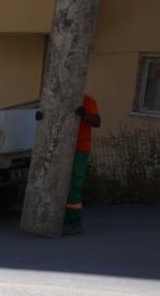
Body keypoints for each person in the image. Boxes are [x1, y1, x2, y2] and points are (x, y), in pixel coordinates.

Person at [64, 93, 101, 235]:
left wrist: (84, 115)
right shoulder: (59, 97)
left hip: (79, 149)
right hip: (61, 148)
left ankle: (73, 222)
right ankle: (59, 220)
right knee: (59, 183)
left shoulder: (87, 100)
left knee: (74, 184)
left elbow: (97, 122)